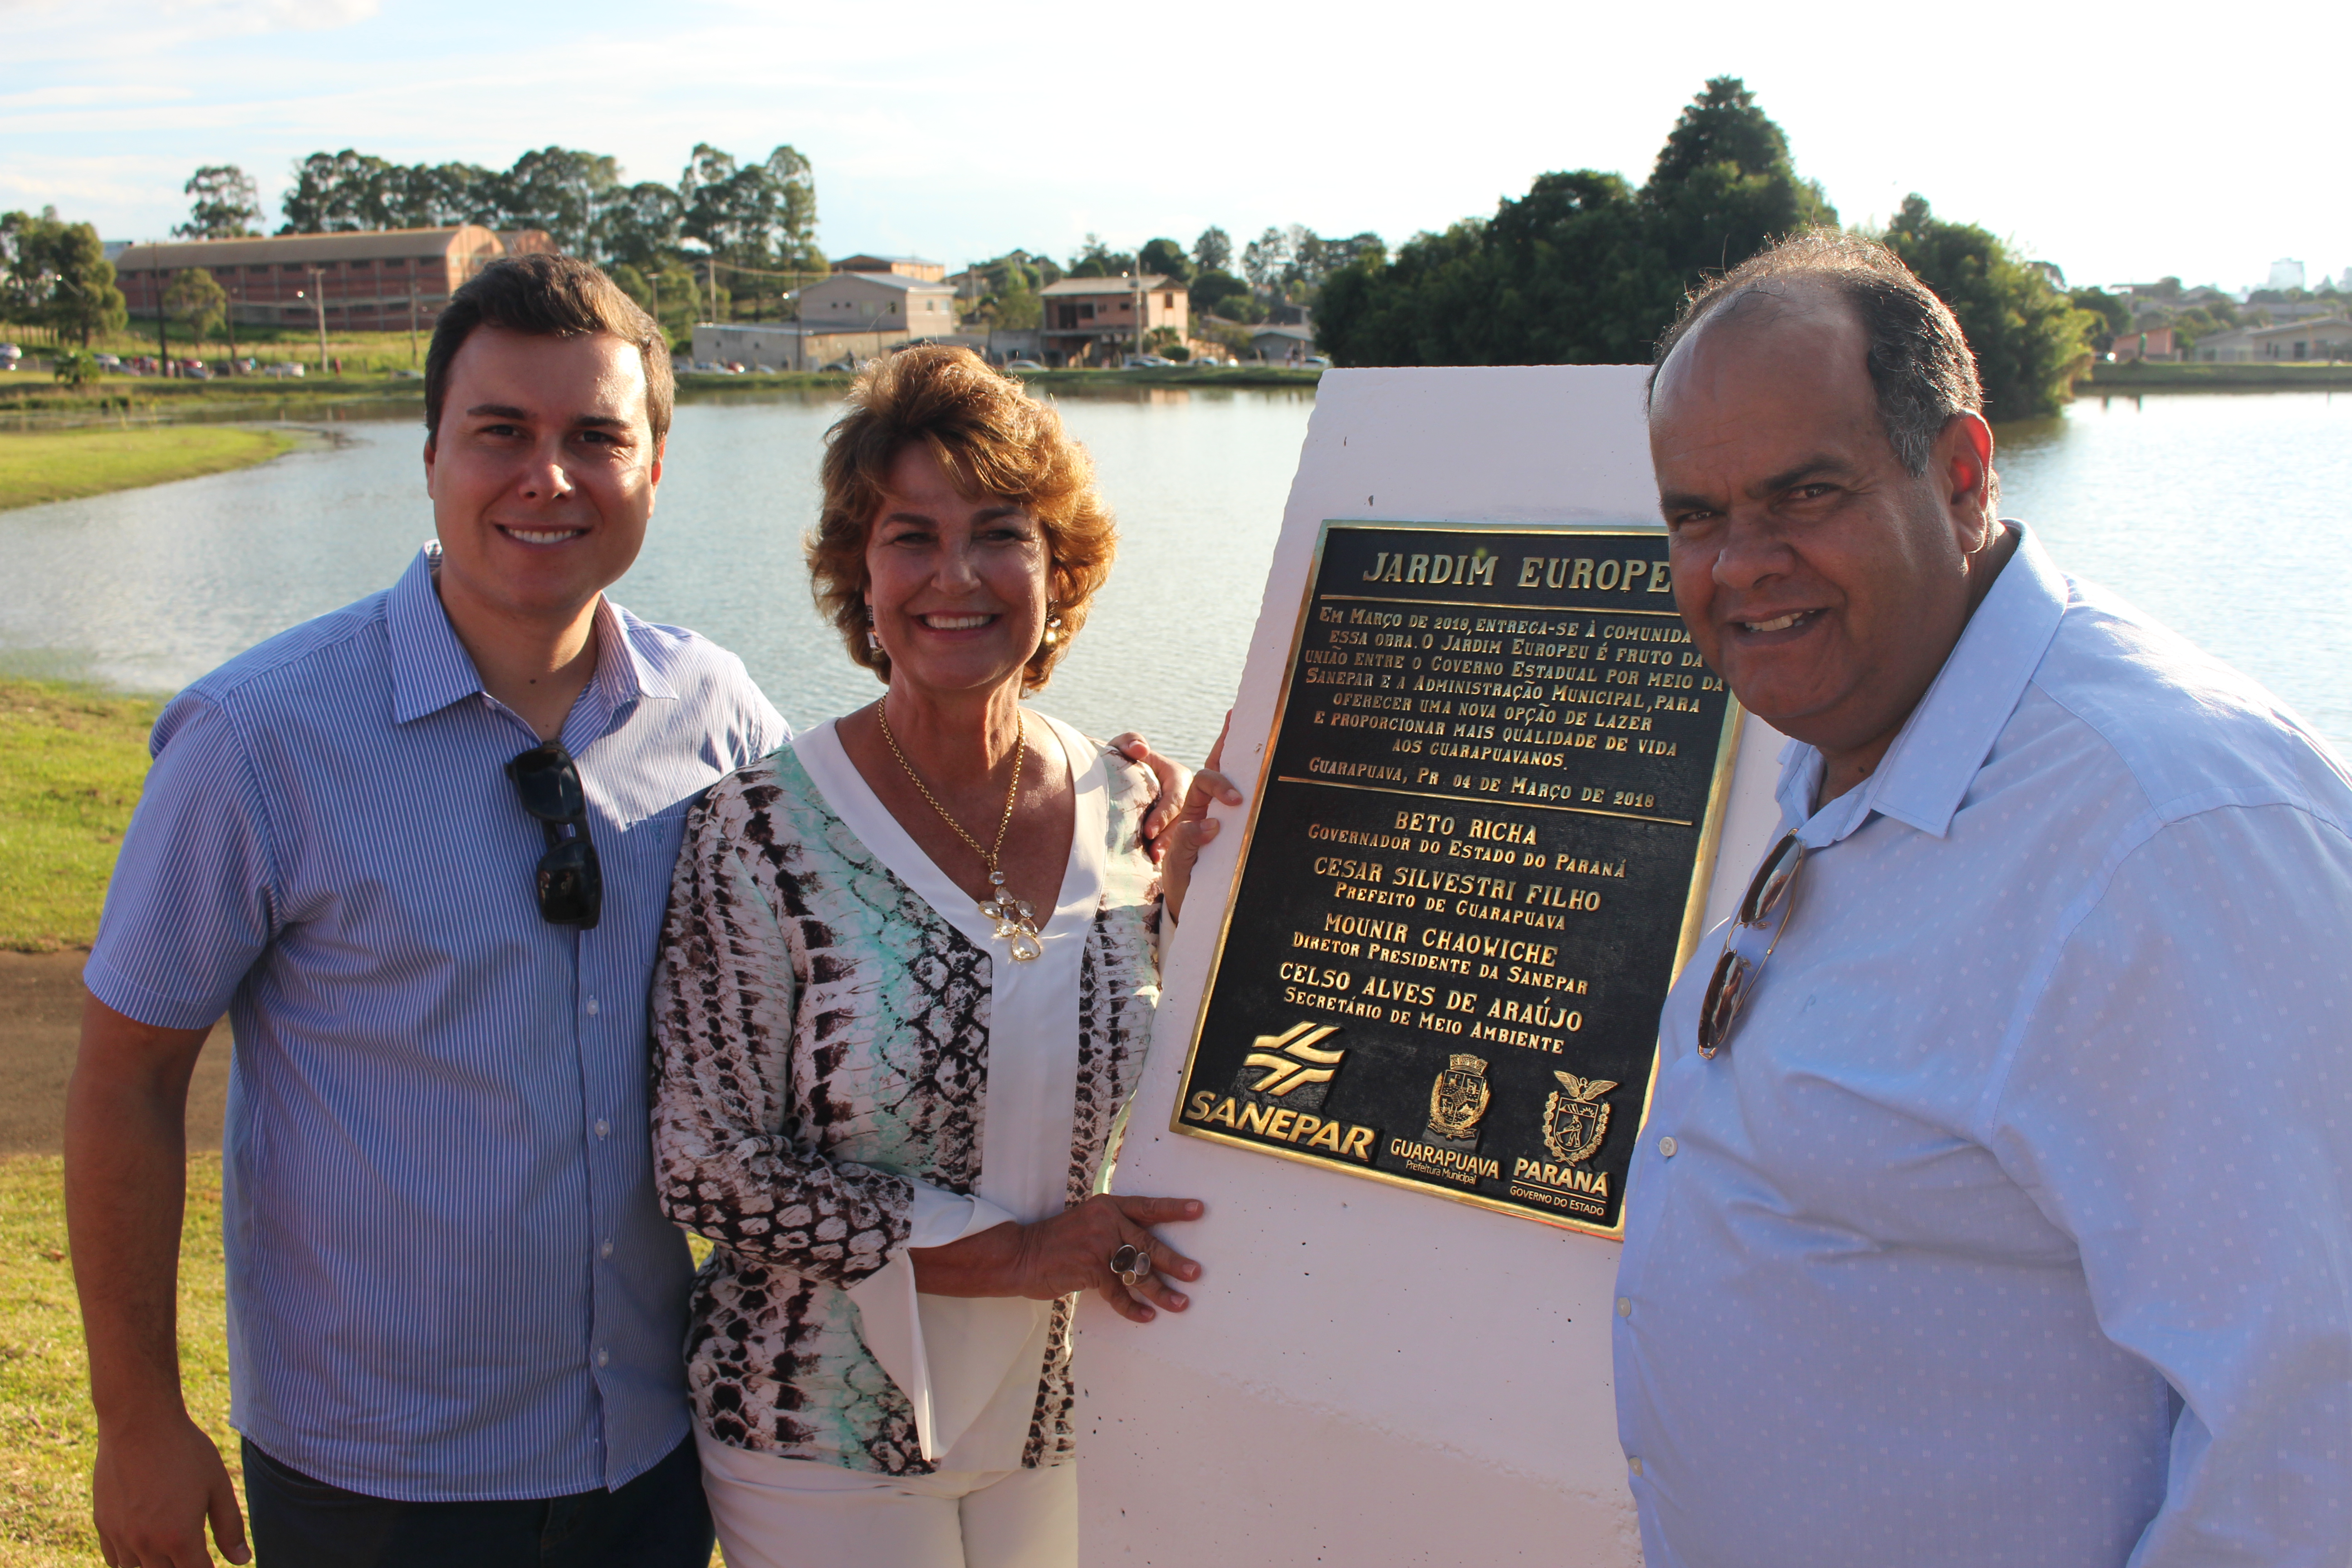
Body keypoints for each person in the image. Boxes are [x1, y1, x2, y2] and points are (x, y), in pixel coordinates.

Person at [66, 260, 1191, 1568]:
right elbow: (124, 1076)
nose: (550, 479)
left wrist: (1139, 817)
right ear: (429, 452)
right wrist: (136, 1415)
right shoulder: (259, 738)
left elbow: (888, 850)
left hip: (647, 1444)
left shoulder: (712, 715)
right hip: (377, 1462)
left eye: (597, 438)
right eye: (503, 433)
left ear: (656, 466)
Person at [1611, 230, 2352, 1565]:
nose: (1740, 565)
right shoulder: (1879, 724)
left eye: (1805, 495)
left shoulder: (2168, 834)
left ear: (1960, 474)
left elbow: (2315, 1438)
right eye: (1697, 516)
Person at [650, 346, 1232, 1568]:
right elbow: (708, 1166)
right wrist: (1011, 1255)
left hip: (1073, 1412)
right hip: (820, 1429)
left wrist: (1209, 906)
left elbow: (1177, 1083)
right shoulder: (758, 829)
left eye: (1001, 534)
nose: (956, 576)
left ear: (1059, 572)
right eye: (912, 536)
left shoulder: (1136, 805)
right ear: (858, 576)